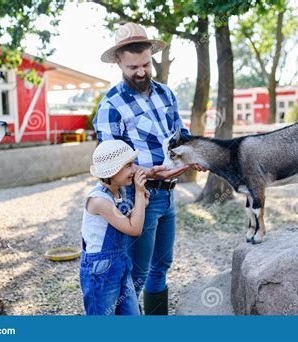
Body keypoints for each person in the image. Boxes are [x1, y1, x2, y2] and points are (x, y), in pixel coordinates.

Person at [94, 22, 205, 315]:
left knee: (161, 266)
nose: (141, 72)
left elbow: (179, 134)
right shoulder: (110, 106)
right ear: (118, 61)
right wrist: (151, 172)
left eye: (146, 64)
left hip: (168, 194)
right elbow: (110, 166)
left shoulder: (166, 94)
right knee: (137, 273)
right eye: (133, 67)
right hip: (139, 198)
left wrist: (193, 154)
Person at [80, 139, 149, 315]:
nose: (134, 170)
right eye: (128, 165)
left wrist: (141, 205)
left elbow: (125, 222)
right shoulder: (99, 200)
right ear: (112, 170)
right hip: (101, 270)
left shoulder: (117, 190)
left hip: (120, 262)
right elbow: (134, 229)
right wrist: (139, 194)